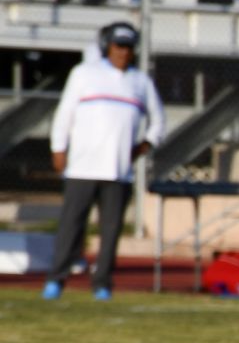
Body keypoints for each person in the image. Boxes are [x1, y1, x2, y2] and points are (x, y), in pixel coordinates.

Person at [43, 23, 165, 301]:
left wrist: (142, 147)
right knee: (71, 226)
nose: (123, 53)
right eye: (118, 46)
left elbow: (158, 121)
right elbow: (64, 115)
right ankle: (56, 279)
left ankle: (102, 284)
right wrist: (58, 148)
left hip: (118, 171)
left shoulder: (140, 82)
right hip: (83, 167)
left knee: (110, 232)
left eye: (128, 48)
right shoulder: (85, 74)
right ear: (107, 47)